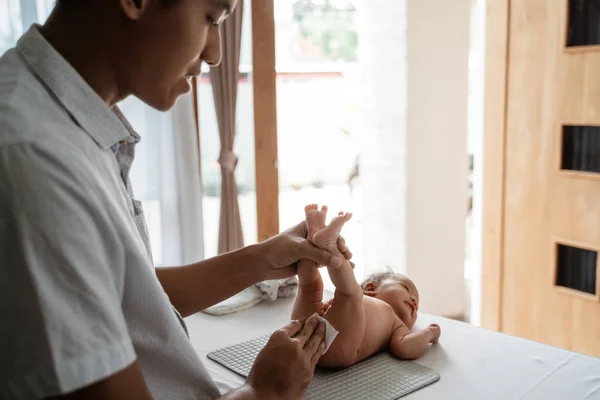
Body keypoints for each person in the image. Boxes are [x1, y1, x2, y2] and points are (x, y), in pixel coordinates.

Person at [0, 1, 353, 399]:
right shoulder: (33, 158)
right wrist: (264, 392)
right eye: (211, 18)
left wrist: (259, 259)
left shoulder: (66, 127)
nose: (215, 54)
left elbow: (126, 299)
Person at [291, 204, 441, 368]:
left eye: (417, 304)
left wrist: (428, 334)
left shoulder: (396, 325)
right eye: (406, 288)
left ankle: (323, 243)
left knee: (346, 293)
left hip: (337, 347)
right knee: (309, 287)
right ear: (371, 289)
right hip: (305, 331)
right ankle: (311, 241)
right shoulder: (370, 305)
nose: (414, 301)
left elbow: (405, 348)